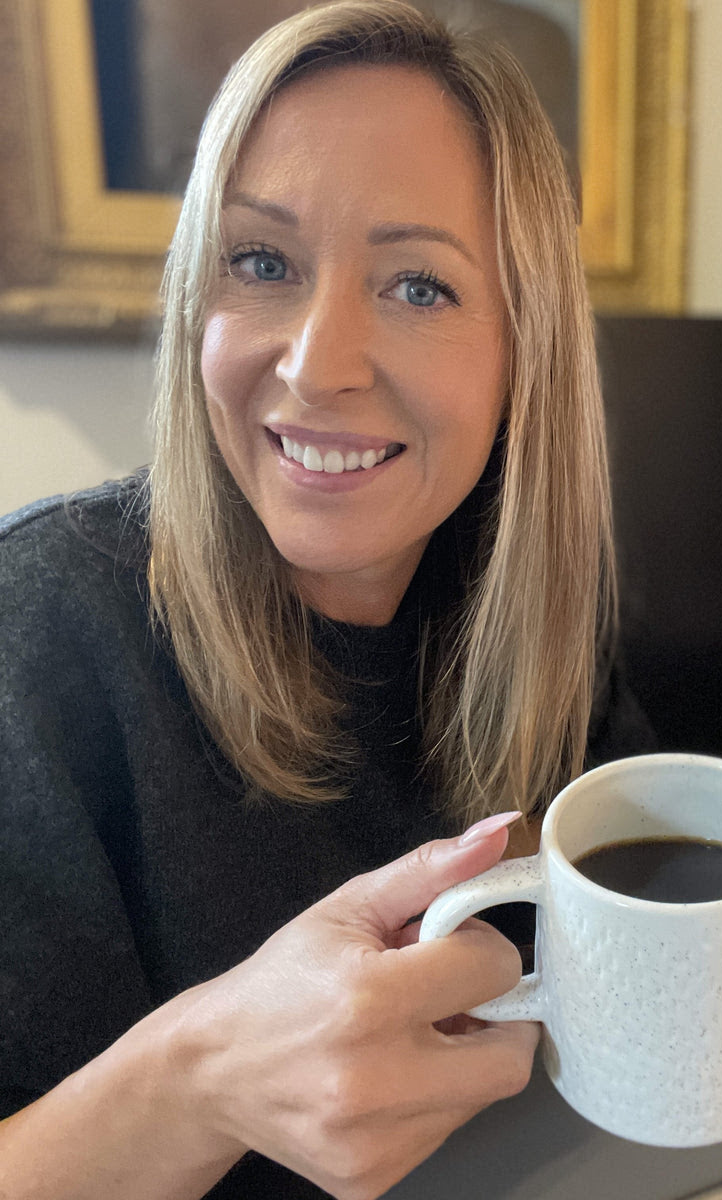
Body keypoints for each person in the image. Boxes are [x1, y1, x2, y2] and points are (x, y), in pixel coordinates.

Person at [0, 3, 653, 1197]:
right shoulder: (34, 638)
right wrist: (197, 1082)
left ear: (526, 354)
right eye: (262, 264)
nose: (317, 362)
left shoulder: (532, 630)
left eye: (417, 285)